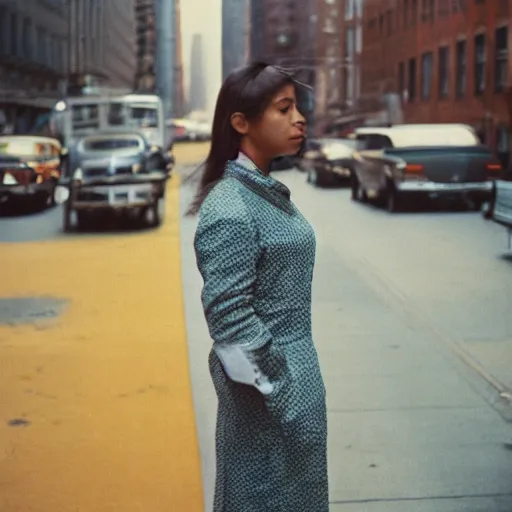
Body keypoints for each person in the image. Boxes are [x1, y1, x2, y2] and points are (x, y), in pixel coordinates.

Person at [189, 62, 329, 512]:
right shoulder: (231, 206)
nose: (299, 118)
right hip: (267, 408)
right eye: (284, 109)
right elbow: (230, 321)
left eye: (298, 107)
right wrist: (289, 399)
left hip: (284, 396)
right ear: (241, 123)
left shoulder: (259, 190)